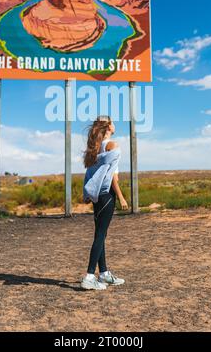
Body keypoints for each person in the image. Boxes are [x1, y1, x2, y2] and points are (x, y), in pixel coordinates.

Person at [80, 115, 129, 291]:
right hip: (106, 195)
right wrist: (121, 197)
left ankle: (104, 274)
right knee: (100, 235)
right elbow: (112, 176)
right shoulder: (112, 146)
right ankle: (89, 276)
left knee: (101, 235)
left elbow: (93, 173)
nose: (115, 124)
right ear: (108, 127)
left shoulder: (94, 148)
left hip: (96, 196)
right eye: (113, 122)